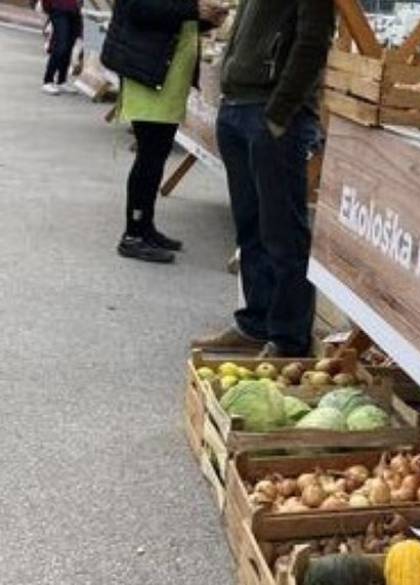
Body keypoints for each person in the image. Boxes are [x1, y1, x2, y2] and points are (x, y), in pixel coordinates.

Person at [190, 0, 335, 357]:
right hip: (238, 106)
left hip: (270, 113)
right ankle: (255, 324)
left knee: (282, 231)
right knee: (250, 228)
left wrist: (280, 112)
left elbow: (314, 41)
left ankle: (289, 339)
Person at [100, 0, 227, 263]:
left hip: (168, 78)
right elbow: (139, 9)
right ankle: (133, 234)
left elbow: (174, 17)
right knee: (149, 156)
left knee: (157, 155)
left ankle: (145, 226)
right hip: (147, 74)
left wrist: (207, 19)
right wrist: (194, 10)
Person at [40, 0, 81, 94]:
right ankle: (48, 81)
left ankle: (62, 81)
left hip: (74, 10)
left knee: (69, 47)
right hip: (59, 9)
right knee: (61, 45)